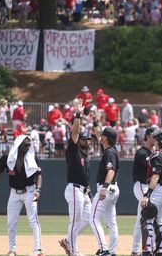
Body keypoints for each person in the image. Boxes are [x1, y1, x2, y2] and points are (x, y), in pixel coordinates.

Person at [0, 135, 44, 256]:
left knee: (33, 220)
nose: (28, 147)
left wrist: (38, 190)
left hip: (29, 191)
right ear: (19, 145)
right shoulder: (7, 158)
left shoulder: (32, 157)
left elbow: (39, 174)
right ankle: (12, 250)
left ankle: (38, 250)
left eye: (29, 145)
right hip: (14, 192)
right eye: (26, 145)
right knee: (11, 222)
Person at [58, 99, 93, 256]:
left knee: (89, 218)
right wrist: (78, 114)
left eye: (88, 139)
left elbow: (86, 178)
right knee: (75, 221)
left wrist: (90, 195)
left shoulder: (85, 157)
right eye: (85, 139)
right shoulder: (73, 150)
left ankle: (67, 241)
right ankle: (73, 250)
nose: (87, 141)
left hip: (84, 192)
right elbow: (75, 132)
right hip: (74, 189)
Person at [141, 127, 162, 256]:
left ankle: (147, 251)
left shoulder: (157, 155)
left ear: (158, 140)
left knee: (147, 219)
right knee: (160, 220)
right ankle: (160, 250)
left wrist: (147, 194)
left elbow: (155, 176)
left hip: (158, 189)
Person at [90, 125, 120, 256]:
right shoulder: (110, 149)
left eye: (102, 135)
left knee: (92, 218)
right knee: (111, 223)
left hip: (107, 187)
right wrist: (95, 121)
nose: (100, 137)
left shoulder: (109, 152)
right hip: (113, 188)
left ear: (106, 138)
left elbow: (111, 171)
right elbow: (98, 136)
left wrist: (104, 188)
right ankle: (111, 251)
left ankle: (104, 249)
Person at [130, 126, 157, 256]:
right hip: (142, 186)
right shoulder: (142, 152)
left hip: (147, 186)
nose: (155, 137)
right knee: (148, 214)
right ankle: (148, 249)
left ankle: (135, 251)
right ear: (147, 136)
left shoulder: (152, 153)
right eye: (153, 134)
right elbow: (152, 166)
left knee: (141, 218)